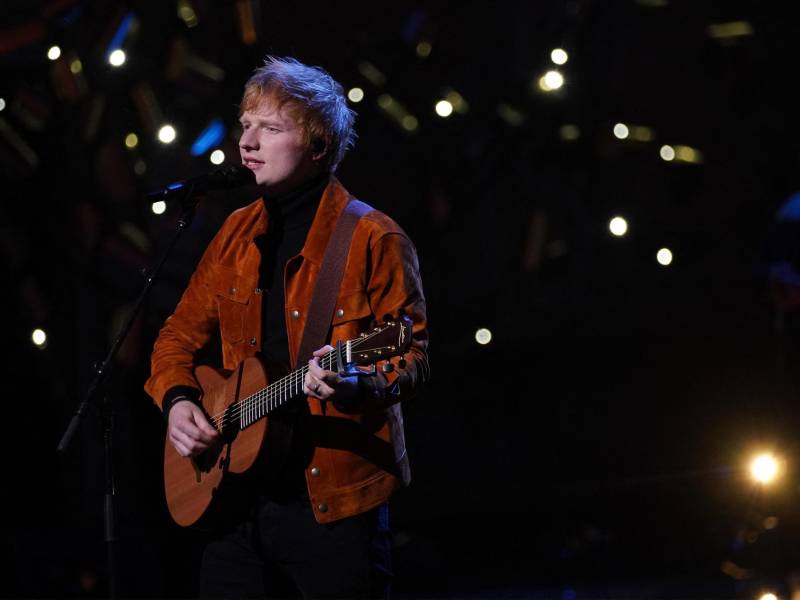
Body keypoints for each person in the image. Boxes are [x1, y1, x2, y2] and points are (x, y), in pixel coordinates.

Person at [144, 56, 429, 599]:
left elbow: (410, 354)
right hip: (234, 505)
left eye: (270, 128)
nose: (247, 142)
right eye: (246, 124)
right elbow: (176, 336)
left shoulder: (374, 239)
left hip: (331, 509)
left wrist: (355, 384)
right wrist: (179, 400)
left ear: (319, 146)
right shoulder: (234, 233)